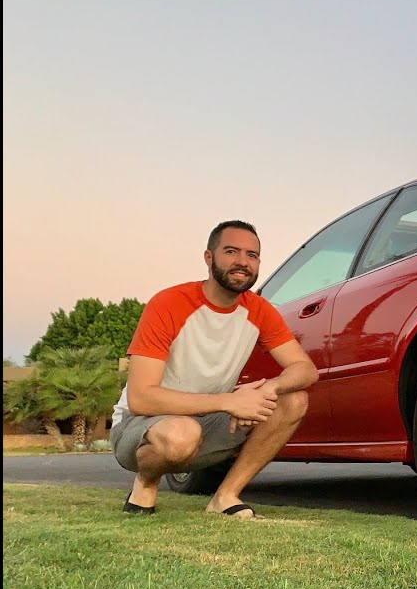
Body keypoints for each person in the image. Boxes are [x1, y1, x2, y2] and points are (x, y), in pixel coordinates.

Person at [109, 219, 318, 519]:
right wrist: (228, 401)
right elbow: (141, 399)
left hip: (209, 424)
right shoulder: (168, 303)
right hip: (142, 427)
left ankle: (226, 496)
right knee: (182, 432)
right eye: (231, 251)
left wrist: (270, 388)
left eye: (252, 255)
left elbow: (305, 369)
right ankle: (145, 482)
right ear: (209, 258)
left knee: (294, 399)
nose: (242, 262)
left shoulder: (259, 310)